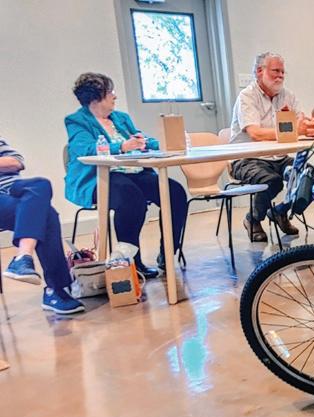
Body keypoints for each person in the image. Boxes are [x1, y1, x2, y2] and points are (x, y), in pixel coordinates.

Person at [65, 72, 188, 279]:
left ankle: (168, 253)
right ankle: (131, 262)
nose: (114, 96)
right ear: (96, 97)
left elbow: (142, 140)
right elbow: (84, 149)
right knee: (130, 197)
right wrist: (122, 146)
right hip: (100, 177)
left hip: (133, 172)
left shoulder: (120, 118)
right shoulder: (76, 121)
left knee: (174, 192)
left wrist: (165, 143)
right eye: (110, 92)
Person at [229, 52, 314, 242]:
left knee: (312, 174)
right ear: (259, 72)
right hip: (247, 158)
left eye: (283, 72)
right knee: (272, 181)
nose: (280, 76)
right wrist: (296, 130)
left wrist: (310, 128)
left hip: (278, 157)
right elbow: (256, 133)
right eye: (275, 71)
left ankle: (280, 211)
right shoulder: (247, 96)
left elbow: (299, 125)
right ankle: (253, 219)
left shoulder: (288, 96)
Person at [0, 136, 85, 314]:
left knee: (41, 184)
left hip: (15, 189)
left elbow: (16, 162)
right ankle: (56, 290)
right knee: (48, 215)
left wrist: (9, 163)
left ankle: (23, 258)